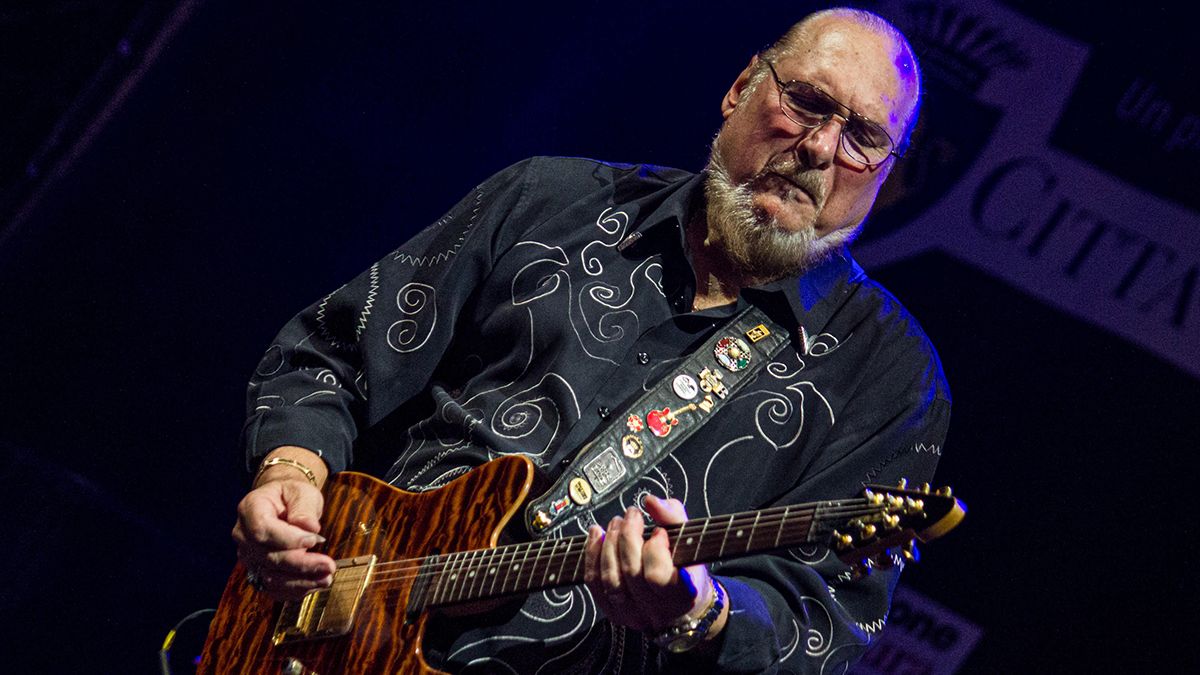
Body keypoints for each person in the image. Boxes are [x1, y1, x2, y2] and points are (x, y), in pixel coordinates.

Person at [232, 7, 949, 673]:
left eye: (864, 138)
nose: (821, 147)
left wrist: (702, 610)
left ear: (885, 177)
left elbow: (823, 624)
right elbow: (331, 350)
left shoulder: (888, 373)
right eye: (808, 103)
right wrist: (290, 474)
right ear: (740, 88)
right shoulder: (549, 199)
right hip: (302, 633)